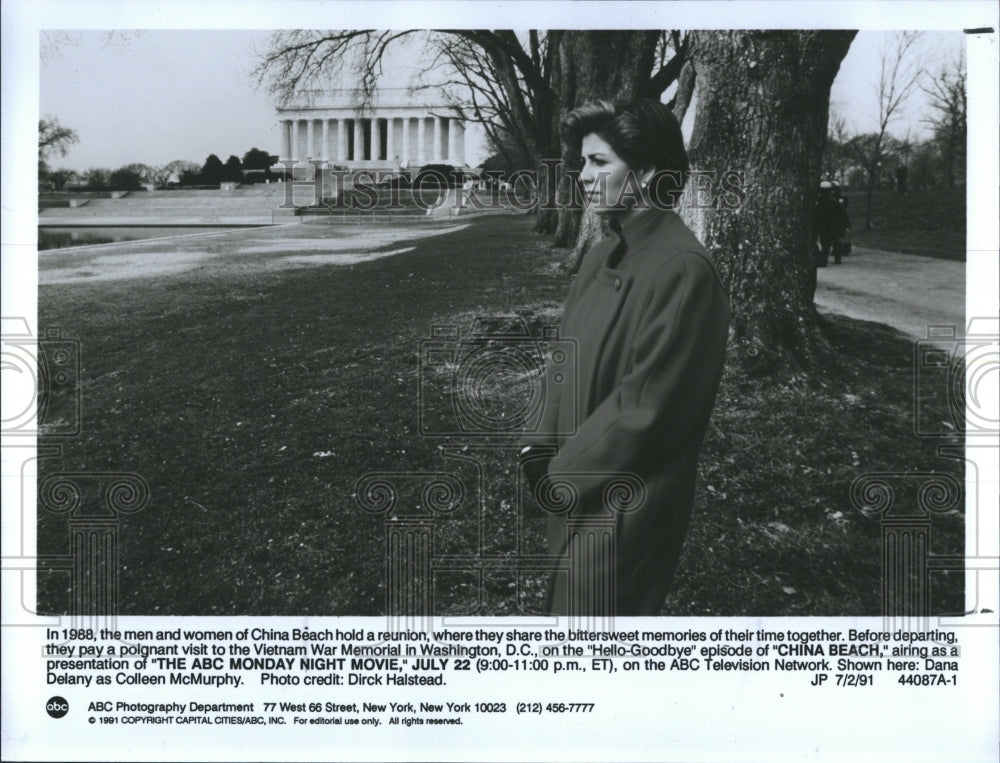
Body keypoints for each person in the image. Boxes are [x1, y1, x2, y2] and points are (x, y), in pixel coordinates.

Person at [520, 99, 730, 616]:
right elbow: (562, 358)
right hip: (573, 478)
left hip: (628, 502)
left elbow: (648, 409)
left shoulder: (682, 269)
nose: (583, 177)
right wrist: (537, 447)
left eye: (600, 163)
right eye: (582, 163)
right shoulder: (599, 254)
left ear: (646, 173)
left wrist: (560, 477)